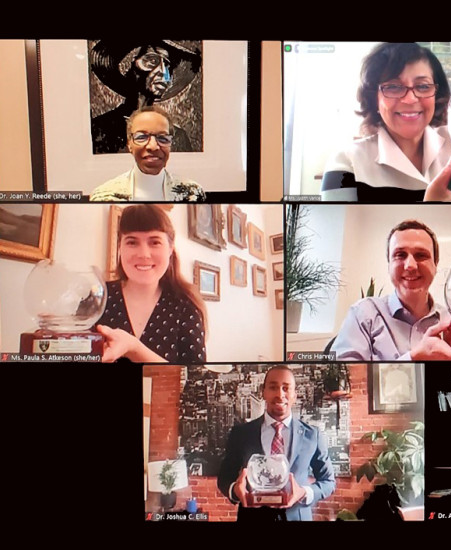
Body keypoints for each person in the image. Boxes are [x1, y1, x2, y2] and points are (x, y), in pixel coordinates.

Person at [321, 43, 451, 202]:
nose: (410, 99)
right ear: (374, 98)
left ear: (436, 94)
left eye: (423, 86)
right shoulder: (346, 162)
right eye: (393, 87)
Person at [217, 366, 336, 522]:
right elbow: (225, 478)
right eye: (273, 387)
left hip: (298, 517)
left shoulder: (313, 435)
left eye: (286, 388)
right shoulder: (241, 434)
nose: (280, 394)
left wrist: (303, 493)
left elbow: (328, 482)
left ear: (294, 395)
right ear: (263, 392)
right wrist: (235, 491)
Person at [331, 219, 451, 361]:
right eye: (400, 255)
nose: (410, 266)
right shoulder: (362, 313)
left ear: (435, 265)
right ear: (389, 265)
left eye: (421, 255)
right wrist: (413, 358)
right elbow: (340, 378)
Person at [95, 204, 206, 363]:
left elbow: (192, 378)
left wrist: (134, 348)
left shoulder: (186, 306)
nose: (143, 254)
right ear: (120, 246)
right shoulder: (97, 296)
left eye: (154, 242)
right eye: (132, 242)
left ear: (170, 248)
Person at [90, 40, 200, 155]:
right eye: (152, 61)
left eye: (168, 66)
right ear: (127, 66)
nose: (163, 72)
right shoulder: (100, 129)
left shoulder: (177, 137)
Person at [90, 107, 205, 201]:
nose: (153, 146)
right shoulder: (104, 197)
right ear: (129, 143)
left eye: (163, 138)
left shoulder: (192, 194)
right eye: (142, 137)